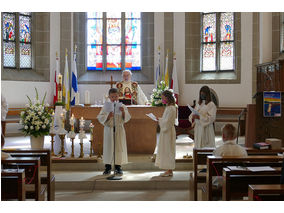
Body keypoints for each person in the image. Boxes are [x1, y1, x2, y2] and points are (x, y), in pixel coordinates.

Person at [97, 88, 131, 176]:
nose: (114, 98)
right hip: (109, 129)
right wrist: (108, 116)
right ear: (109, 97)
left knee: (118, 148)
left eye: (116, 96)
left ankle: (118, 167)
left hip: (119, 129)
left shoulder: (122, 106)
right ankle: (107, 167)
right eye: (112, 97)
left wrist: (123, 113)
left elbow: (127, 118)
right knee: (109, 148)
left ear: (118, 96)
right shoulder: (106, 106)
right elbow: (100, 117)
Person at [155, 90, 178, 177]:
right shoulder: (168, 107)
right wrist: (160, 119)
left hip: (168, 131)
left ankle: (169, 170)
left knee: (169, 150)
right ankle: (168, 169)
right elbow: (166, 119)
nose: (162, 99)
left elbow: (168, 121)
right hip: (166, 131)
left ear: (168, 98)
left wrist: (160, 120)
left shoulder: (172, 108)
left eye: (163, 98)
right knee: (166, 149)